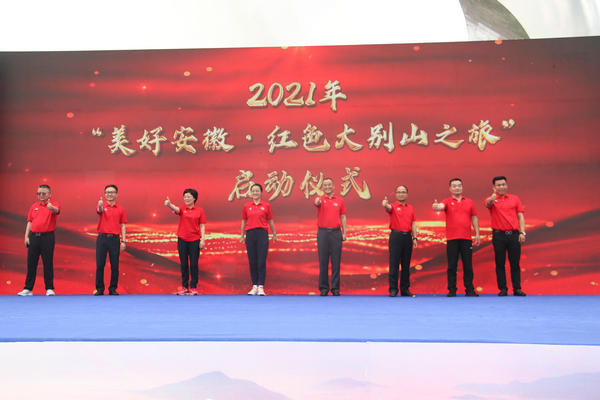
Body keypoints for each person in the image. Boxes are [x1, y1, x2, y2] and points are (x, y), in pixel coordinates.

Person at [432, 179, 481, 297]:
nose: (457, 188)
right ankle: (452, 289)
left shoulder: (469, 202)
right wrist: (436, 206)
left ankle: (469, 289)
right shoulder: (447, 201)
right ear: (450, 188)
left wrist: (477, 233)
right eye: (454, 186)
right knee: (452, 265)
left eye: (459, 186)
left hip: (466, 238)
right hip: (452, 239)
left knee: (468, 265)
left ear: (462, 187)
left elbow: (474, 218)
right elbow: (441, 206)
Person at [485, 176, 527, 296]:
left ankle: (517, 288)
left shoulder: (514, 198)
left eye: (503, 184)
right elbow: (487, 204)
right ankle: (503, 288)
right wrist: (492, 199)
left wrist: (522, 232)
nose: (501, 187)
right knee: (500, 263)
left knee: (515, 263)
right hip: (499, 235)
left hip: (514, 235)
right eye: (498, 185)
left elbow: (520, 216)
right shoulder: (491, 199)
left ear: (506, 185)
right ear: (494, 187)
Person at [18, 185, 60, 296]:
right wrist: (26, 236)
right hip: (34, 237)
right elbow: (30, 221)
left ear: (50, 194)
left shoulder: (54, 204)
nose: (41, 195)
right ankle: (28, 288)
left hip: (47, 237)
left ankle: (49, 288)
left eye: (43, 193)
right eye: (39, 193)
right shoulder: (34, 206)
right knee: (31, 263)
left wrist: (51, 208)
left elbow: (56, 211)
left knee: (47, 262)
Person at [165, 189, 206, 295]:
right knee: (183, 264)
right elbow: (176, 209)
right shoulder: (183, 209)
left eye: (188, 197)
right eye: (185, 197)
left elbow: (202, 225)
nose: (186, 199)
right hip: (182, 239)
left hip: (195, 240)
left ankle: (193, 287)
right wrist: (169, 204)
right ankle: (184, 287)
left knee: (194, 265)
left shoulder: (200, 210)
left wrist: (202, 240)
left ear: (194, 198)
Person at [241, 184, 277, 296]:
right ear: (251, 193)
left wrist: (274, 233)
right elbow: (244, 221)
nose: (255, 193)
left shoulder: (266, 206)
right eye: (253, 191)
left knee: (261, 261)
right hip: (250, 234)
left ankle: (261, 286)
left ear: (261, 193)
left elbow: (270, 221)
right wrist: (242, 235)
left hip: (262, 234)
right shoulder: (247, 206)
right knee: (252, 262)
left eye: (257, 191)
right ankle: (254, 287)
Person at [382, 185, 418, 297]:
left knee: (406, 265)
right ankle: (393, 289)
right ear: (396, 194)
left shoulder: (410, 208)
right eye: (399, 192)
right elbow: (388, 208)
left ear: (407, 194)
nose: (401, 194)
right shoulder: (393, 206)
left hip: (407, 237)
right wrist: (385, 205)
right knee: (394, 264)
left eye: (403, 192)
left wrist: (415, 237)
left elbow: (413, 223)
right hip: (396, 236)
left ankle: (405, 289)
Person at [315, 178, 347, 296]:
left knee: (336, 262)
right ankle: (324, 288)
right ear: (322, 187)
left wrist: (344, 232)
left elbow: (343, 217)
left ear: (333, 186)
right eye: (325, 185)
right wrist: (318, 201)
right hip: (322, 233)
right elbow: (316, 203)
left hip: (336, 233)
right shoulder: (320, 199)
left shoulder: (340, 200)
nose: (327, 187)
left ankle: (335, 288)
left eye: (329, 185)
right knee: (323, 262)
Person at [95, 184, 127, 296]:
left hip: (114, 239)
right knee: (100, 264)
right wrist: (100, 205)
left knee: (115, 265)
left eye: (112, 192)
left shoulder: (121, 209)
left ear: (116, 194)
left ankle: (113, 288)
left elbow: (122, 225)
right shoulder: (101, 206)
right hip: (102, 238)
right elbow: (99, 211)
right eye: (107, 192)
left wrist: (124, 241)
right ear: (105, 194)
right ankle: (100, 288)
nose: (110, 194)